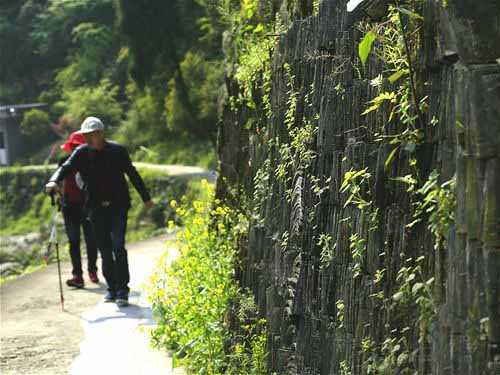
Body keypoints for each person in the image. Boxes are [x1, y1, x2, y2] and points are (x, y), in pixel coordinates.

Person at [45, 117, 154, 307]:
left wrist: (146, 198)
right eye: (86, 135)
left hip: (118, 205)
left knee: (118, 246)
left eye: (92, 134)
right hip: (95, 207)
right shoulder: (81, 152)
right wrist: (54, 180)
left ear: (101, 133)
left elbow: (132, 173)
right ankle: (112, 288)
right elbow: (66, 167)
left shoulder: (117, 151)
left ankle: (123, 290)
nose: (88, 138)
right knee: (104, 249)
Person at [59, 131, 99, 288]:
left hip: (87, 206)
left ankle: (90, 271)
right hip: (70, 207)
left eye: (78, 146)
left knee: (90, 241)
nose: (76, 150)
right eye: (74, 146)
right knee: (75, 242)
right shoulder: (64, 161)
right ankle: (79, 275)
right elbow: (59, 180)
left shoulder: (92, 161)